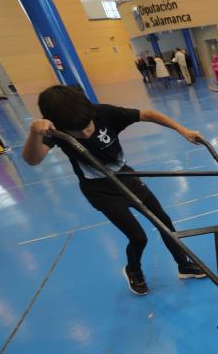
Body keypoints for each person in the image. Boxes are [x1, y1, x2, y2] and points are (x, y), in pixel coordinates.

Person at [21, 85, 208, 295]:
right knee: (138, 237)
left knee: (165, 222)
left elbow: (147, 114)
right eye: (78, 132)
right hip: (100, 191)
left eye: (88, 126)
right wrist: (34, 133)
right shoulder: (56, 131)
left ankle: (184, 265)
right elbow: (32, 159)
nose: (85, 133)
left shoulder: (104, 113)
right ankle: (133, 270)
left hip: (127, 178)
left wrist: (183, 130)